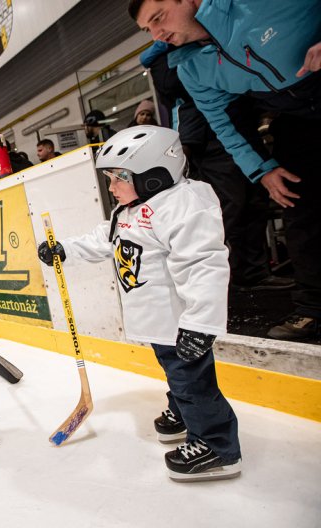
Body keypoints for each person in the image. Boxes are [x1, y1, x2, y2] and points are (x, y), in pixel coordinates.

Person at [38, 126, 241, 482]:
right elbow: (105, 238)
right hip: (158, 322)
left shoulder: (183, 205)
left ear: (153, 176)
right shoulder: (129, 210)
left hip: (182, 323)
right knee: (177, 376)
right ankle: (182, 412)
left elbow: (204, 264)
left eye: (119, 178)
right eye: (111, 179)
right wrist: (66, 249)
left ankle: (218, 447)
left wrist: (201, 323)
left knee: (193, 382)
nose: (112, 187)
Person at [129, 0, 321, 340]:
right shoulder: (189, 67)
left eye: (159, 18)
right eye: (148, 29)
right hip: (295, 118)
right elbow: (223, 120)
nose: (157, 34)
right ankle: (313, 309)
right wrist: (262, 169)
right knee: (299, 208)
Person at [139, 40, 293, 293]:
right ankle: (189, 276)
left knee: (252, 203)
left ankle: (250, 272)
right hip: (207, 139)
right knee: (227, 206)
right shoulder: (171, 56)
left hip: (239, 131)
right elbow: (178, 94)